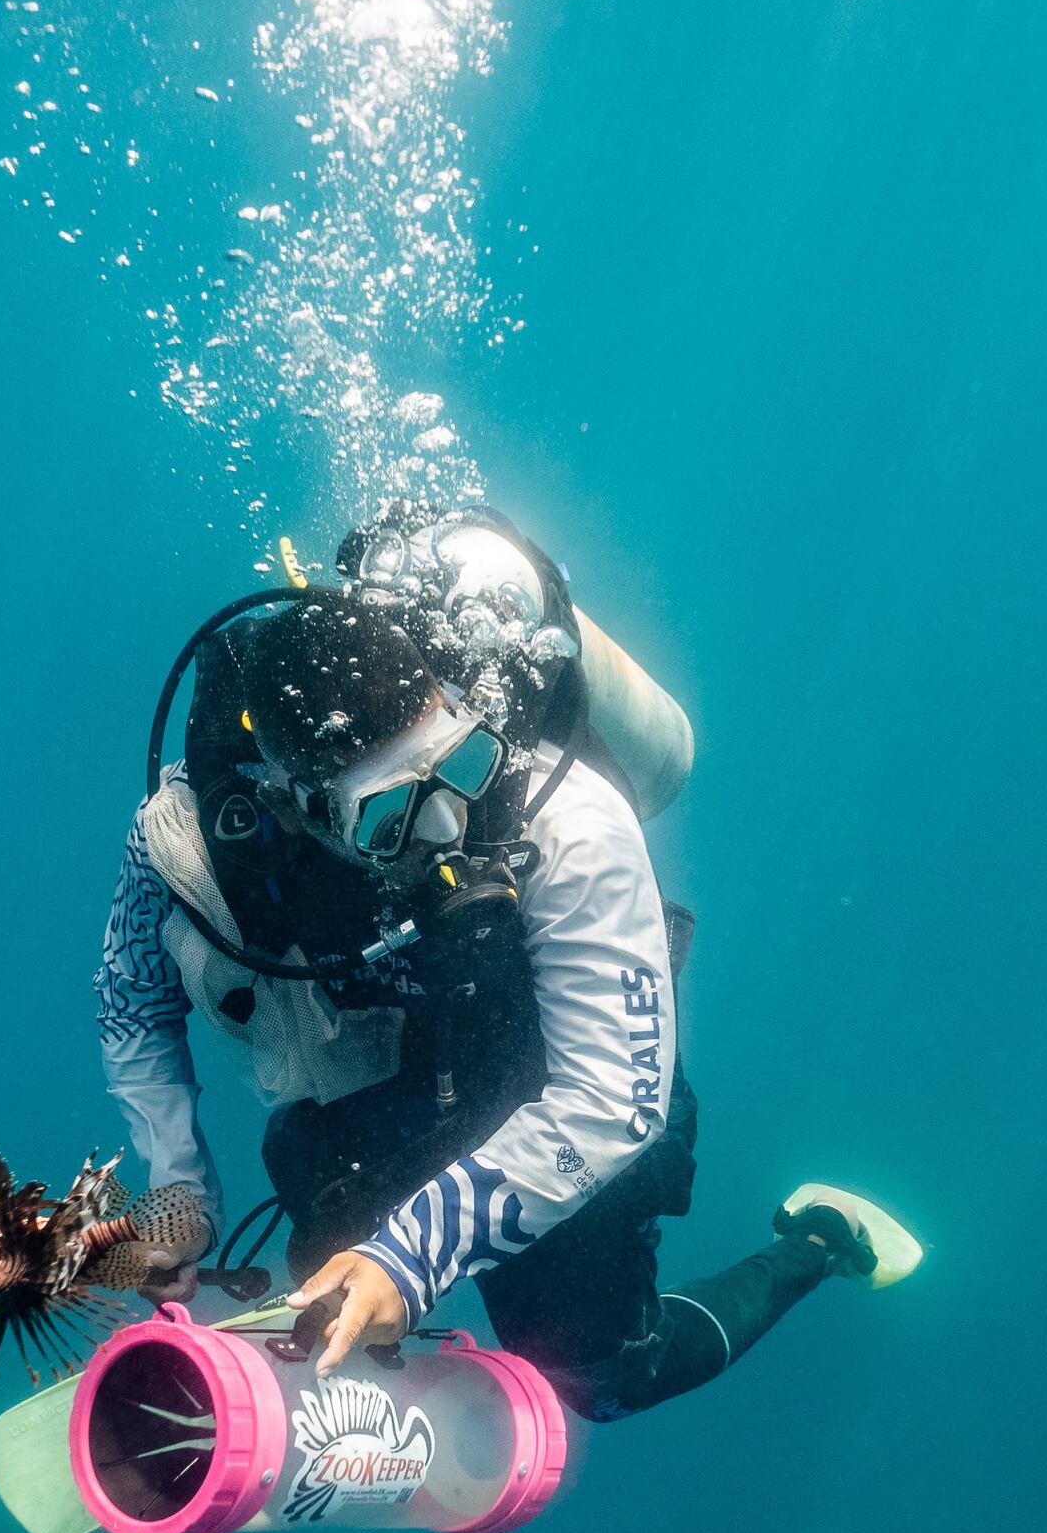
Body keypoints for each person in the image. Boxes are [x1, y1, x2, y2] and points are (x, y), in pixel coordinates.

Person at [93, 511, 917, 1414]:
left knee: (601, 1378)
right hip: (404, 1065)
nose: (447, 826)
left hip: (552, 1044)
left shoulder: (569, 815)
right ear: (296, 807)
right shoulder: (179, 842)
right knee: (314, 1188)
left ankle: (817, 1242)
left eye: (460, 763)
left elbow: (613, 1099)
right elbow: (133, 998)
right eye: (387, 814)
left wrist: (408, 1255)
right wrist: (180, 1190)